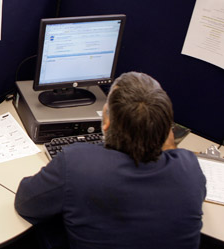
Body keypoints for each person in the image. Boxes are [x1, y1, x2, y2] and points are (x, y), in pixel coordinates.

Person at [14, 72, 206, 249]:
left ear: (106, 123)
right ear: (166, 131)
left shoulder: (77, 164)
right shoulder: (190, 169)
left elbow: (25, 202)